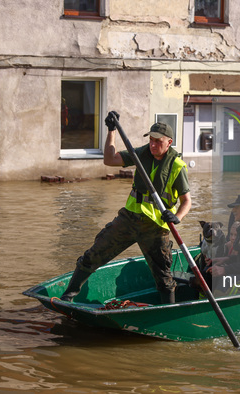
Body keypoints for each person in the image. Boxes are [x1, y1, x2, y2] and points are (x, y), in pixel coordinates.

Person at [60, 112, 192, 304]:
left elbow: (187, 201)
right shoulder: (141, 153)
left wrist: (177, 217)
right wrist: (111, 131)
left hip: (155, 227)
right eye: (151, 140)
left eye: (158, 141)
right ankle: (68, 296)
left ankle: (167, 312)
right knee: (92, 255)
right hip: (129, 219)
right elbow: (109, 159)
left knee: (164, 277)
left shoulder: (177, 165)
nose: (153, 145)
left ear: (169, 142)